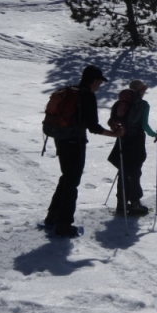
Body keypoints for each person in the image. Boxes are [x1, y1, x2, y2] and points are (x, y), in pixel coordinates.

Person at [45, 65, 124, 237]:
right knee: (72, 182)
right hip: (75, 142)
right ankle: (64, 225)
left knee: (66, 177)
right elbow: (93, 126)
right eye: (99, 82)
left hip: (61, 138)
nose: (100, 86)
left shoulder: (70, 91)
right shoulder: (87, 96)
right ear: (94, 80)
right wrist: (114, 134)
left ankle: (52, 218)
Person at [108, 80, 157, 216]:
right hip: (136, 142)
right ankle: (135, 204)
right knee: (135, 172)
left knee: (123, 172)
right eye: (143, 90)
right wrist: (154, 135)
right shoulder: (143, 105)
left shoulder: (119, 104)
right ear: (140, 91)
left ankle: (121, 204)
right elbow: (144, 125)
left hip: (121, 140)